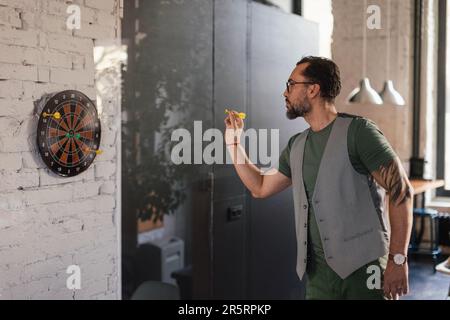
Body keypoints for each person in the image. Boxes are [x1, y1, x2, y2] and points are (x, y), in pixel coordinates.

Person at [224, 56, 413, 300]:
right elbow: (260, 187)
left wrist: (398, 260)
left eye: (291, 84)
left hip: (365, 273)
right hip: (318, 279)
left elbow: (401, 191)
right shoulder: (297, 145)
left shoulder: (359, 132)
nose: (285, 92)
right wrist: (233, 141)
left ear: (313, 89)